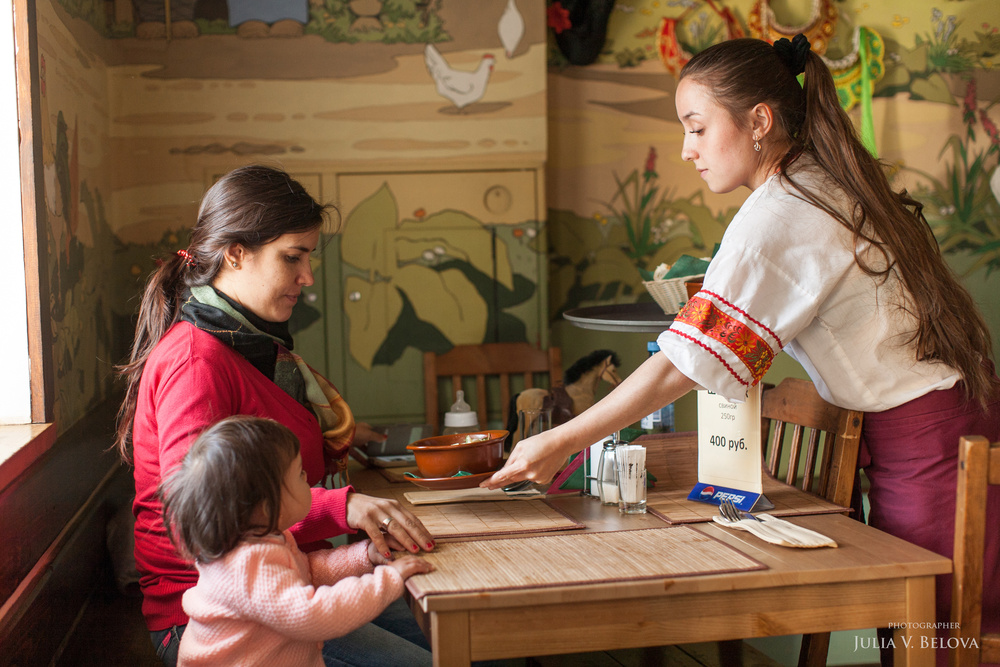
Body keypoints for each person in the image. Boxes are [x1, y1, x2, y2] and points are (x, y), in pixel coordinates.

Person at [483, 35, 1000, 663]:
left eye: (697, 128)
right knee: (922, 635)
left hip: (931, 448)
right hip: (940, 426)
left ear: (759, 120)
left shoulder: (782, 213)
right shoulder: (816, 184)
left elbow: (682, 366)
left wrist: (560, 439)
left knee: (939, 643)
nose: (685, 149)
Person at [114, 164, 436, 666]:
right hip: (219, 622)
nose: (307, 277)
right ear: (235, 254)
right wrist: (340, 507)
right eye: (293, 257)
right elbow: (200, 516)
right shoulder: (196, 362)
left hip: (287, 578)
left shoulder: (249, 344)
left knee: (463, 641)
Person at [160, 416, 434, 666]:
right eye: (300, 475)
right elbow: (314, 615)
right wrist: (388, 581)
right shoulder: (247, 564)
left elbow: (308, 572)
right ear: (268, 505)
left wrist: (365, 555)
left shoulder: (264, 540)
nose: (309, 481)